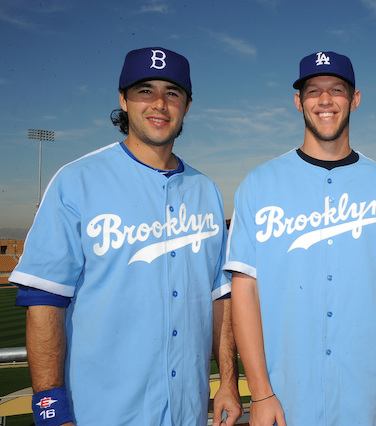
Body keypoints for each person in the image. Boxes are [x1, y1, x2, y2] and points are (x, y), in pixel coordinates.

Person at [10, 47, 242, 426]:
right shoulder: (76, 181)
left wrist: (228, 383)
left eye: (172, 92)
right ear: (123, 99)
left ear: (187, 104)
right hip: (100, 413)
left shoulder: (206, 191)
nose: (160, 104)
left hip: (188, 412)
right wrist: (51, 412)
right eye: (145, 91)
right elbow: (44, 300)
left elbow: (221, 298)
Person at [224, 51, 376, 425]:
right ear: (298, 101)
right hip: (284, 403)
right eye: (313, 90)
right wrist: (260, 393)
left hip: (371, 400)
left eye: (336, 89)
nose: (324, 100)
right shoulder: (259, 184)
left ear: (354, 99)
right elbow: (244, 290)